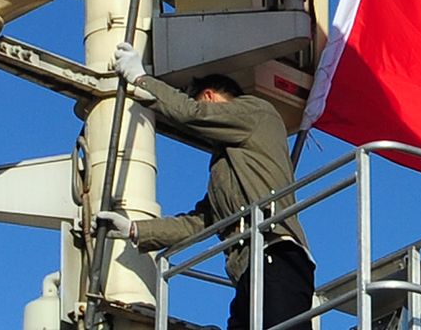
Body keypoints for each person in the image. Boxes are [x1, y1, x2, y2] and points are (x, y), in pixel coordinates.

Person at [95, 42, 314, 330]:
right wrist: (136, 230)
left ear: (209, 96)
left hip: (276, 255)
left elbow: (193, 113)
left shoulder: (255, 112)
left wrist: (141, 79)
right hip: (249, 269)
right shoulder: (229, 168)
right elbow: (202, 221)